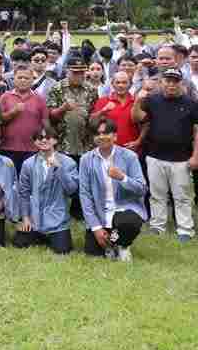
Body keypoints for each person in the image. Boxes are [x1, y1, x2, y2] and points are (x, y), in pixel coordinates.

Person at [131, 67, 198, 241]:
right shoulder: (152, 100)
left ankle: (185, 229)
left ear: (181, 83)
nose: (171, 84)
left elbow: (197, 132)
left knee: (182, 197)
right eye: (168, 80)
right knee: (157, 195)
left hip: (181, 158)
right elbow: (137, 118)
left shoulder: (191, 104)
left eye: (175, 81)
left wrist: (196, 156)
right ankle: (157, 226)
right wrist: (138, 101)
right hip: (155, 156)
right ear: (161, 82)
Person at [79, 119, 148, 261]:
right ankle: (111, 243)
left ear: (115, 136)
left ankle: (121, 245)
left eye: (106, 133)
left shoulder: (129, 157)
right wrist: (96, 227)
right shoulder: (86, 159)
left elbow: (142, 189)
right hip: (101, 213)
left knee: (128, 223)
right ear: (93, 138)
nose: (102, 136)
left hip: (124, 210)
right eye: (97, 134)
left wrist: (122, 177)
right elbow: (85, 195)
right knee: (92, 252)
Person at [13, 127, 79, 254]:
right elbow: (23, 193)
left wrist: (59, 168)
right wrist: (25, 218)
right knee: (19, 243)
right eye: (39, 138)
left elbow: (72, 190)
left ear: (55, 140)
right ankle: (39, 235)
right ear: (35, 142)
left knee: (63, 250)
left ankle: (52, 236)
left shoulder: (68, 162)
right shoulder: (28, 164)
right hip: (34, 219)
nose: (43, 140)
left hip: (57, 221)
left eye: (47, 137)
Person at [47, 56, 99, 159]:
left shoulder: (91, 90)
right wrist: (63, 108)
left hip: (85, 146)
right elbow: (50, 117)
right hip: (62, 145)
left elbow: (94, 116)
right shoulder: (57, 88)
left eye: (82, 73)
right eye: (75, 73)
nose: (79, 76)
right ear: (67, 71)